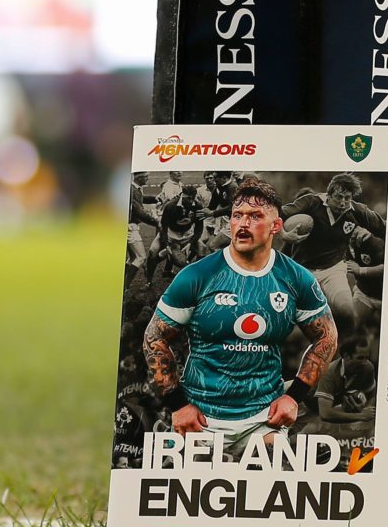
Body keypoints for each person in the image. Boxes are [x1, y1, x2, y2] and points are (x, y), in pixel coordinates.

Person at [142, 176, 339, 459]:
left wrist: (294, 397)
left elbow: (327, 336)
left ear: (276, 226)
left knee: (275, 494)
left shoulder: (296, 278)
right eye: (237, 216)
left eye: (255, 216)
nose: (243, 224)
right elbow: (154, 337)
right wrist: (177, 405)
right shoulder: (198, 275)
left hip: (263, 420)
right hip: (199, 419)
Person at [280, 173, 385, 335]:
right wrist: (283, 234)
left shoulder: (357, 211)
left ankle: (337, 348)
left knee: (347, 312)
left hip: (333, 270)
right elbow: (277, 214)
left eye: (347, 198)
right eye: (339, 197)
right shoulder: (311, 202)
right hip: (303, 272)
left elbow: (386, 229)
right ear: (328, 195)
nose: (343, 203)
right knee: (286, 324)